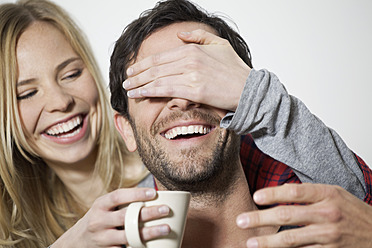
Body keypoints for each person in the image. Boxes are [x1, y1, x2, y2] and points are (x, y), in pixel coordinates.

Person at [109, 0, 372, 247]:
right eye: (153, 87)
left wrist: (256, 95)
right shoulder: (107, 236)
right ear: (127, 130)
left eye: (200, 78)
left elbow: (359, 197)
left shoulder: (329, 231)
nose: (182, 100)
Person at [0, 0, 173, 247]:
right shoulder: (12, 227)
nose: (60, 102)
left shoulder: (170, 171)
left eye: (71, 74)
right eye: (26, 93)